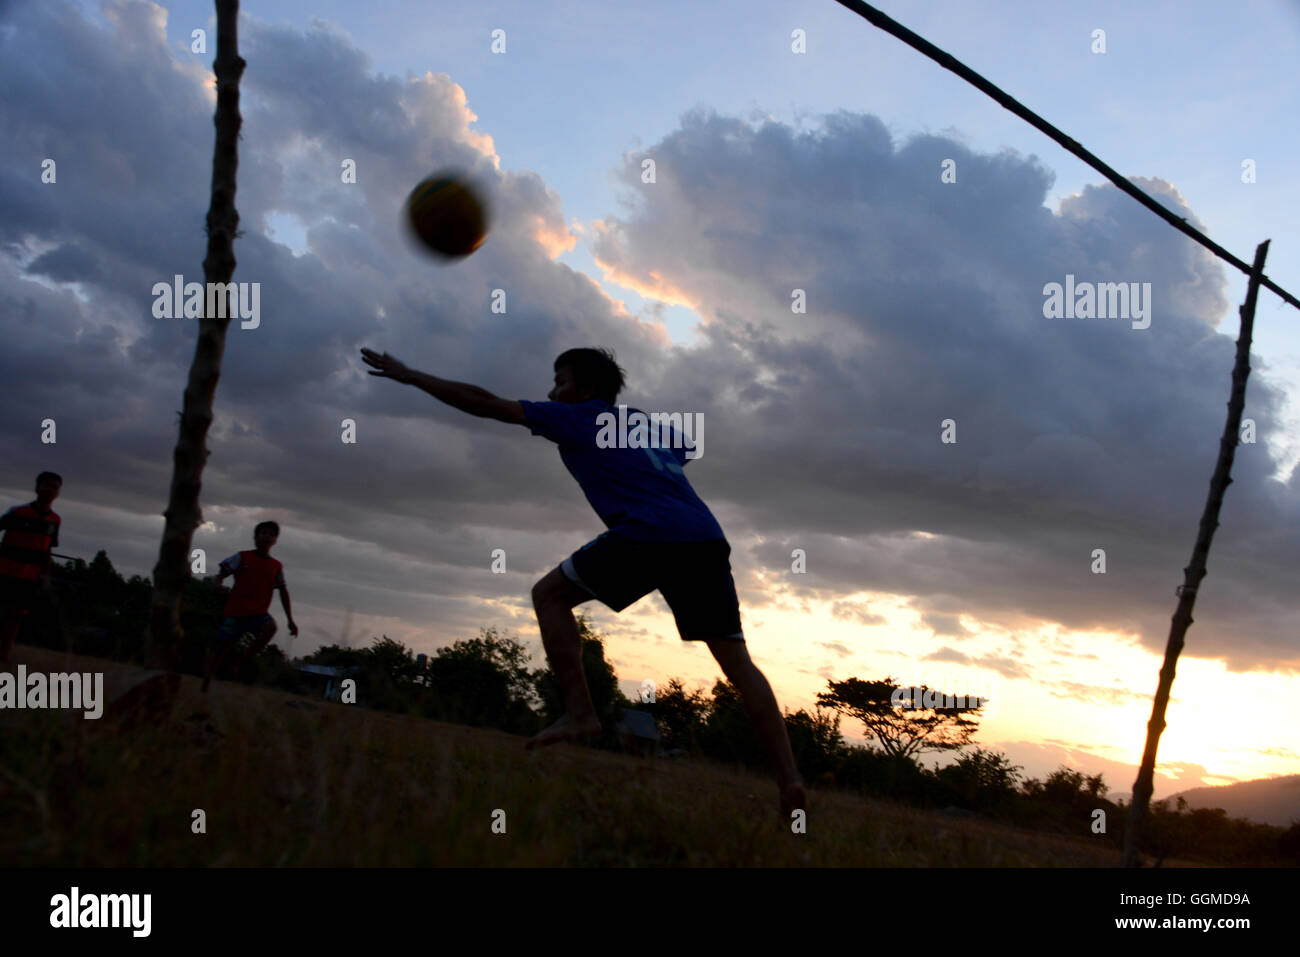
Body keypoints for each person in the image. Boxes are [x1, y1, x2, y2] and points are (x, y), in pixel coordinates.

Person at [360, 346, 806, 817]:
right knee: (738, 665)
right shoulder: (646, 425)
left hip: (649, 531)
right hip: (705, 538)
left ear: (586, 390)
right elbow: (685, 445)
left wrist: (412, 376)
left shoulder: (580, 418)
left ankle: (580, 714)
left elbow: (487, 403)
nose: (552, 392)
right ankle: (790, 781)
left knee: (548, 595)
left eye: (560, 382)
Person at [202, 521, 298, 693]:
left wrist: (290, 620)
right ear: (255, 536)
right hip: (236, 612)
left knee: (270, 627)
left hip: (258, 614)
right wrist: (218, 583)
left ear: (275, 540)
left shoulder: (276, 566)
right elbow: (222, 572)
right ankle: (205, 687)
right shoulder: (242, 557)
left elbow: (283, 591)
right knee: (219, 650)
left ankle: (240, 661)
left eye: (271, 534)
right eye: (263, 533)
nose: (266, 537)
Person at [0, 472, 62, 663]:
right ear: (37, 488)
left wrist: (46, 575)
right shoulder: (18, 513)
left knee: (16, 616)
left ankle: (4, 654)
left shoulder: (54, 520)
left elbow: (47, 550)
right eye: (46, 485)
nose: (50, 490)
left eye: (54, 487)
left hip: (29, 576)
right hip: (5, 570)